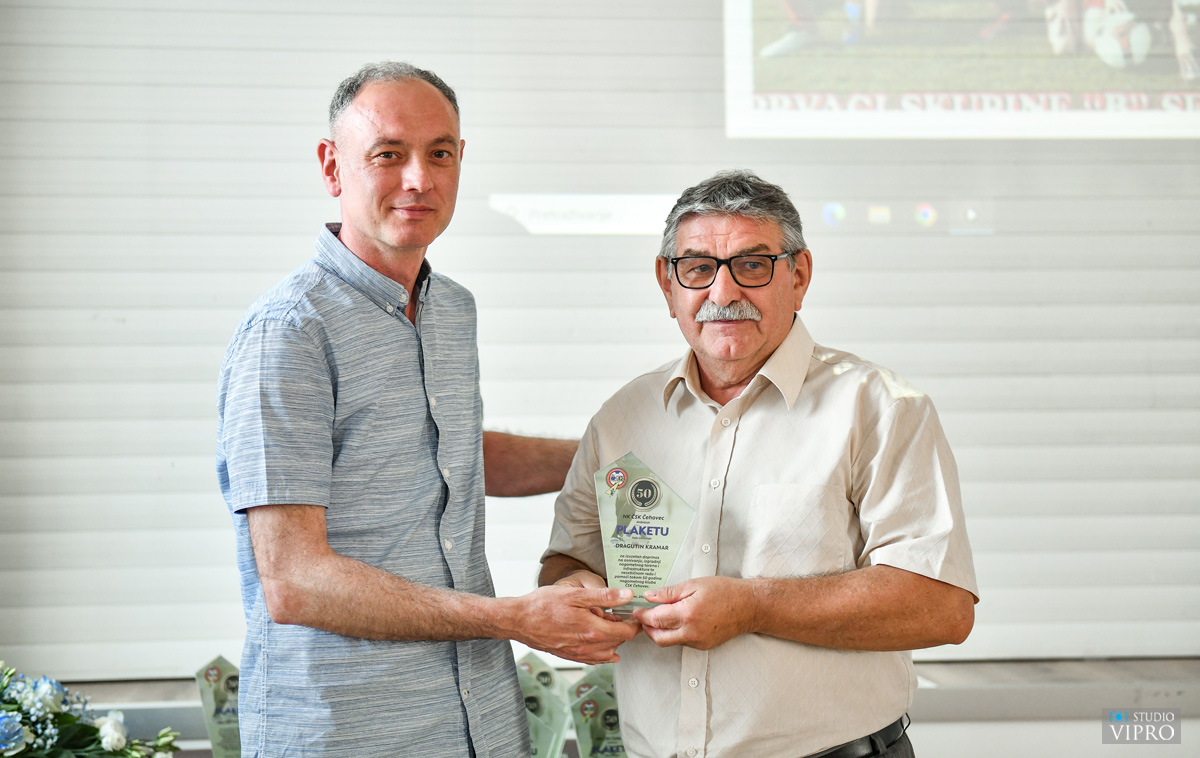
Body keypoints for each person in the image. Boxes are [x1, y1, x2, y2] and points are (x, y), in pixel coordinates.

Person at [216, 62, 637, 757]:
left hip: (482, 723)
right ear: (332, 166)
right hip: (348, 733)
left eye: (439, 153)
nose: (419, 179)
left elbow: (450, 455)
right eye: (388, 154)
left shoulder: (451, 309)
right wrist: (514, 618)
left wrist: (618, 459)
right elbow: (294, 581)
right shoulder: (288, 332)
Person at [540, 170, 979, 758]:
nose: (723, 292)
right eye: (698, 268)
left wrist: (752, 607)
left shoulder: (880, 408)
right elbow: (568, 560)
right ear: (667, 283)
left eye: (752, 265)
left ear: (798, 277)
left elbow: (941, 607)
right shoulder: (622, 418)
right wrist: (578, 592)